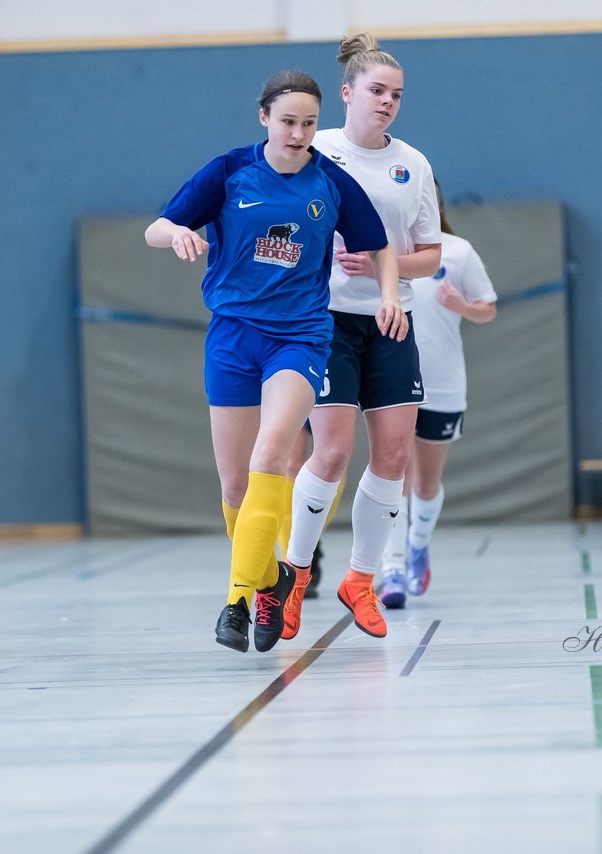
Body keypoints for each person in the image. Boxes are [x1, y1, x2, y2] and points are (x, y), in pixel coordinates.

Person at [144, 70, 400, 653]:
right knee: (235, 483)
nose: (298, 133)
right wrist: (179, 237)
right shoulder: (231, 170)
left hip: (301, 337)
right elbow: (157, 228)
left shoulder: (330, 182)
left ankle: (239, 599)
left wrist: (388, 292)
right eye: (288, 121)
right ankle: (274, 575)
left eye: (309, 124)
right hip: (234, 335)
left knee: (273, 453)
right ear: (264, 118)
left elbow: (377, 243)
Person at [280, 34, 441, 641]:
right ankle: (294, 573)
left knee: (395, 454)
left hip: (390, 317)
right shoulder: (313, 151)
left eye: (396, 95)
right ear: (347, 93)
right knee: (331, 452)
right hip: (324, 321)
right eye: (376, 91)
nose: (387, 103)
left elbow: (429, 254)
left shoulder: (413, 164)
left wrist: (386, 265)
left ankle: (361, 579)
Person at [378, 179, 498, 608]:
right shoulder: (380, 249)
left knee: (425, 482)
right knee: (392, 475)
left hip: (444, 381)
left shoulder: (457, 251)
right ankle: (390, 568)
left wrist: (461, 306)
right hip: (393, 378)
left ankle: (418, 545)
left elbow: (488, 307)